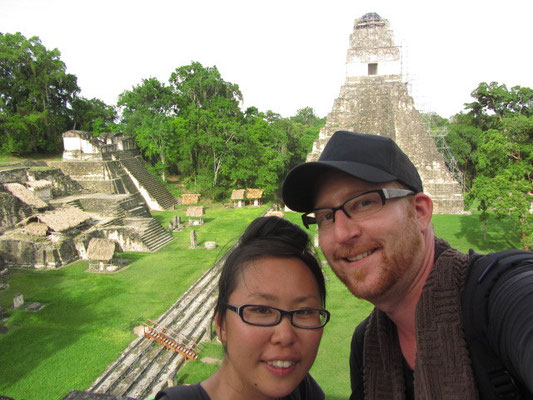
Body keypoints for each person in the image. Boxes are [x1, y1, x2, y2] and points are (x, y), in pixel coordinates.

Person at [281, 130, 533, 399]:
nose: (342, 234)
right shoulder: (366, 345)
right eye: (326, 216)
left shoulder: (498, 296)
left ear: (419, 211)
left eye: (365, 202)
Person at [155, 216, 330, 400]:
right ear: (221, 325)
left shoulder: (303, 390)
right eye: (262, 310)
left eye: (304, 312)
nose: (285, 336)